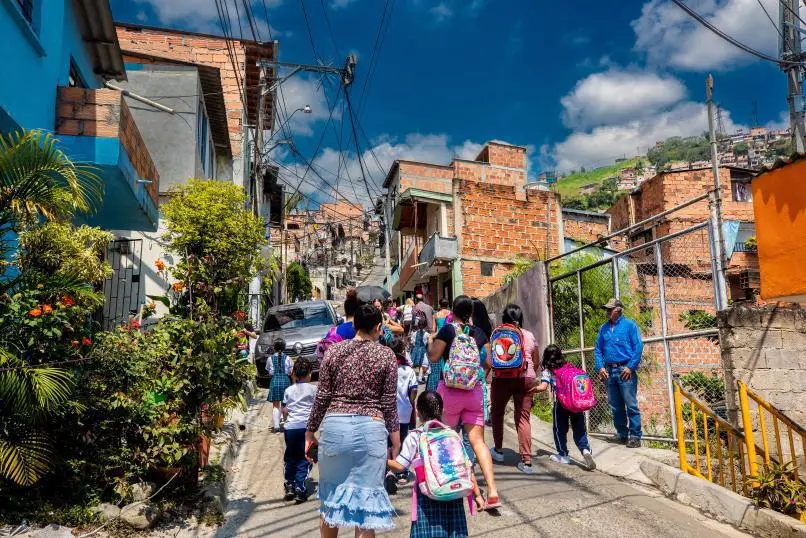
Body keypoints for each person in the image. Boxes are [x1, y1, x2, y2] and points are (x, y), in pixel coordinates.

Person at [306, 303, 400, 536]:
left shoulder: (334, 352)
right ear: (379, 327)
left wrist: (310, 431)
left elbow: (323, 397)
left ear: (354, 325)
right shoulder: (386, 355)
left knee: (330, 504)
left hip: (335, 429)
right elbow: (389, 404)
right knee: (366, 511)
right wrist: (396, 440)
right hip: (372, 430)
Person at [428, 295, 501, 511]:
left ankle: (456, 487)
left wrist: (432, 341)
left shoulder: (449, 330)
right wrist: (476, 374)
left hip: (449, 392)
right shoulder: (479, 333)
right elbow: (488, 361)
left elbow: (433, 357)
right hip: (473, 390)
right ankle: (493, 491)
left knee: (448, 440)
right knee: (478, 442)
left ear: (453, 310)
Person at [387, 391, 484, 538]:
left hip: (428, 495)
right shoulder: (451, 434)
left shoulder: (415, 436)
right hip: (453, 494)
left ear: (418, 412)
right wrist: (477, 495)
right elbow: (466, 466)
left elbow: (400, 466)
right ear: (442, 410)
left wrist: (381, 460)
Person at [488, 304, 540, 475]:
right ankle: (527, 461)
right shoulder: (529, 335)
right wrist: (530, 374)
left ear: (504, 319)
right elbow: (536, 360)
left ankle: (498, 450)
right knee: (523, 418)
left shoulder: (497, 334)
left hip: (501, 378)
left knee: (497, 413)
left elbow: (492, 359)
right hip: (526, 377)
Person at [533, 345, 596, 470]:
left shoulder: (548, 370)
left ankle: (563, 454)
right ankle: (585, 450)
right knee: (579, 429)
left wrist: (530, 389)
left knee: (559, 429)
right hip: (576, 404)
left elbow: (543, 387)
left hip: (561, 404)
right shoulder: (568, 366)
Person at [594, 299, 644, 448]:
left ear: (619, 310)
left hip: (625, 371)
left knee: (631, 404)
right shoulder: (604, 328)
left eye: (610, 309)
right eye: (607, 310)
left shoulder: (629, 326)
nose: (607, 312)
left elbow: (638, 346)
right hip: (610, 371)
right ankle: (622, 434)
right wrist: (600, 367)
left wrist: (631, 367)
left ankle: (635, 436)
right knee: (615, 405)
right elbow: (598, 349)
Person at [282, 358, 318, 502]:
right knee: (306, 458)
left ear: (294, 373)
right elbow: (317, 409)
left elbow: (284, 410)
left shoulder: (288, 390)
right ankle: (300, 488)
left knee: (291, 456)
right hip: (306, 428)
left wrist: (286, 421)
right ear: (310, 374)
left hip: (290, 429)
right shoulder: (314, 390)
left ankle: (290, 484)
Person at [389, 335, 418, 485]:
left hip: (388, 412)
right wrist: (411, 402)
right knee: (402, 441)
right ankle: (401, 471)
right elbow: (413, 391)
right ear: (403, 352)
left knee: (389, 442)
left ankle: (388, 469)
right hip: (405, 412)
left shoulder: (387, 368)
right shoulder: (409, 370)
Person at [267, 338, 294, 433]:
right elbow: (291, 372)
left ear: (274, 348)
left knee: (275, 405)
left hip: (274, 382)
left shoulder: (270, 358)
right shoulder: (288, 358)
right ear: (284, 347)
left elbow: (270, 372)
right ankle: (286, 424)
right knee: (285, 404)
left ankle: (276, 426)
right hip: (286, 381)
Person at [410, 316, 429, 383]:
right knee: (421, 365)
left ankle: (420, 377)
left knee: (415, 364)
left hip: (416, 350)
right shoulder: (427, 334)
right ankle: (420, 377)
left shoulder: (414, 333)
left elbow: (412, 342)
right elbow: (428, 343)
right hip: (423, 351)